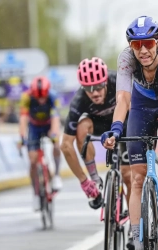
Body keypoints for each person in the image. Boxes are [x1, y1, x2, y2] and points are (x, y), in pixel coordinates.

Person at [101, 16, 158, 250]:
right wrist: (115, 129)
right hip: (141, 107)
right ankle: (136, 237)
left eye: (148, 43)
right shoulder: (125, 59)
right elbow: (123, 98)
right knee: (137, 176)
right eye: (136, 45)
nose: (142, 50)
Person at [60, 57, 130, 209]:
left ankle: (134, 219)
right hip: (99, 125)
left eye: (98, 86)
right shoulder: (79, 100)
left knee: (127, 175)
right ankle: (95, 179)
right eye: (89, 89)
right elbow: (66, 145)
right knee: (81, 128)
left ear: (105, 81)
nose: (95, 93)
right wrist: (84, 181)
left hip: (124, 123)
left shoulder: (118, 82)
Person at [19, 76, 62, 211]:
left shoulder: (53, 96)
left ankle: (56, 176)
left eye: (43, 97)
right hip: (34, 127)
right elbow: (23, 118)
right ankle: (36, 194)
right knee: (32, 160)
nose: (41, 100)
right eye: (38, 97)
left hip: (49, 125)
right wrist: (21, 137)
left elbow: (55, 118)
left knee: (57, 145)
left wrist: (54, 135)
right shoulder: (26, 98)